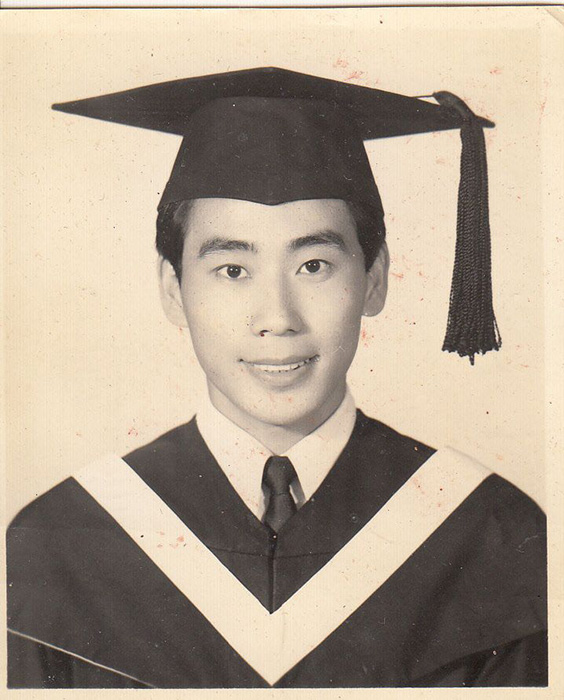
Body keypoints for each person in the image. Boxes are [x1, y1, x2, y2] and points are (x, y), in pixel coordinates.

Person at [7, 67, 546, 688]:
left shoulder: (492, 536)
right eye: (232, 271)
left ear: (374, 279)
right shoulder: (62, 543)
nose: (278, 319)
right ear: (173, 289)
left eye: (314, 265)